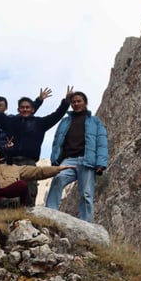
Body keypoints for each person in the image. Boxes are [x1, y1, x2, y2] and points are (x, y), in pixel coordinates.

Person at [0, 86, 70, 206]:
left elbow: (57, 115)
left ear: (33, 109)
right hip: (12, 162)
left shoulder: (40, 123)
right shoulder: (10, 122)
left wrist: (66, 102)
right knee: (10, 189)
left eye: (27, 107)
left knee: (30, 190)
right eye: (22, 107)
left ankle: (30, 215)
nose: (25, 109)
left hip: (30, 162)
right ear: (18, 109)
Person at [45, 90, 108, 222]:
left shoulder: (95, 121)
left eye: (79, 101)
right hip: (68, 160)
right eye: (73, 102)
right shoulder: (65, 121)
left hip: (87, 160)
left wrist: (101, 163)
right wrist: (55, 159)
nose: (76, 104)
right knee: (57, 180)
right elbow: (57, 141)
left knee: (86, 193)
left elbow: (102, 143)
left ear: (85, 102)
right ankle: (49, 214)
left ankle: (86, 223)